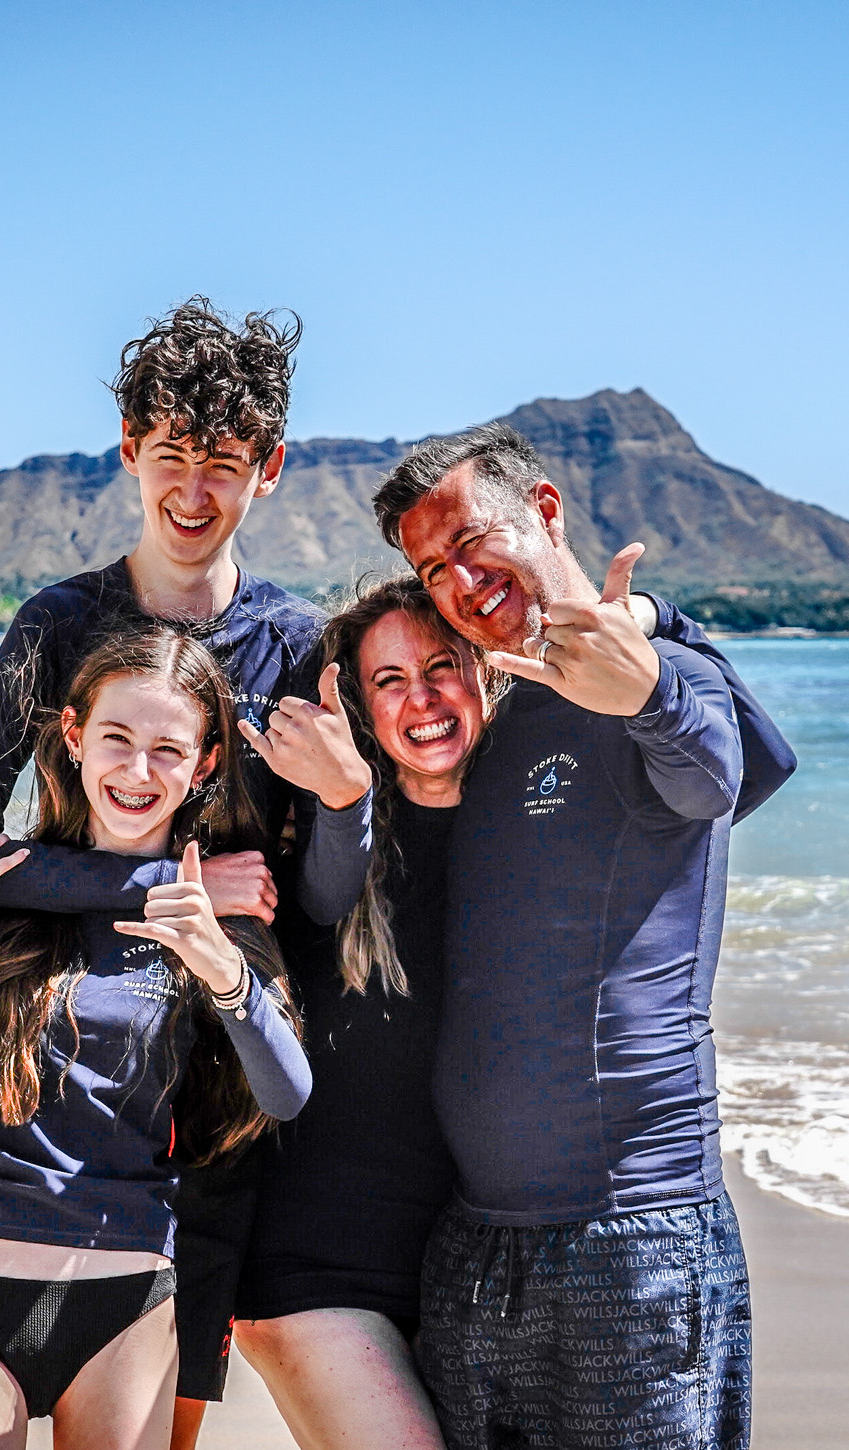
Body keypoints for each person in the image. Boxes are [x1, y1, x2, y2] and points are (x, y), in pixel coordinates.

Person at [0, 298, 375, 1443]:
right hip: (22, 1084)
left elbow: (309, 903)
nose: (195, 492)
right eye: (172, 456)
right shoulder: (56, 625)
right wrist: (160, 893)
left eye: (224, 462)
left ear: (267, 468)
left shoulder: (297, 648)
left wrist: (350, 805)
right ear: (129, 453)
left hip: (200, 1106)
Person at [371, 423, 797, 1450]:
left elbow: (715, 777)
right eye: (433, 569)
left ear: (545, 510)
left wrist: (646, 678)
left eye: (475, 542)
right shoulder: (484, 704)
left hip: (631, 1235)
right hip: (475, 1240)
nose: (461, 582)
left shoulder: (662, 672)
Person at [0, 626, 314, 1449]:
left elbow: (285, 1093)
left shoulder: (210, 914)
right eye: (116, 738)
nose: (138, 770)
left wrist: (226, 973)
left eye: (168, 749)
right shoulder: (1, 900)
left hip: (128, 1288)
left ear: (206, 764)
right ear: (75, 738)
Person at [232, 577, 500, 1448]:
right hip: (311, 1267)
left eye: (441, 666)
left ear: (485, 674)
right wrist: (343, 799)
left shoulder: (531, 837)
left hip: (459, 1274)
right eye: (388, 681)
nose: (420, 698)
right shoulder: (329, 838)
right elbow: (316, 898)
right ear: (357, 707)